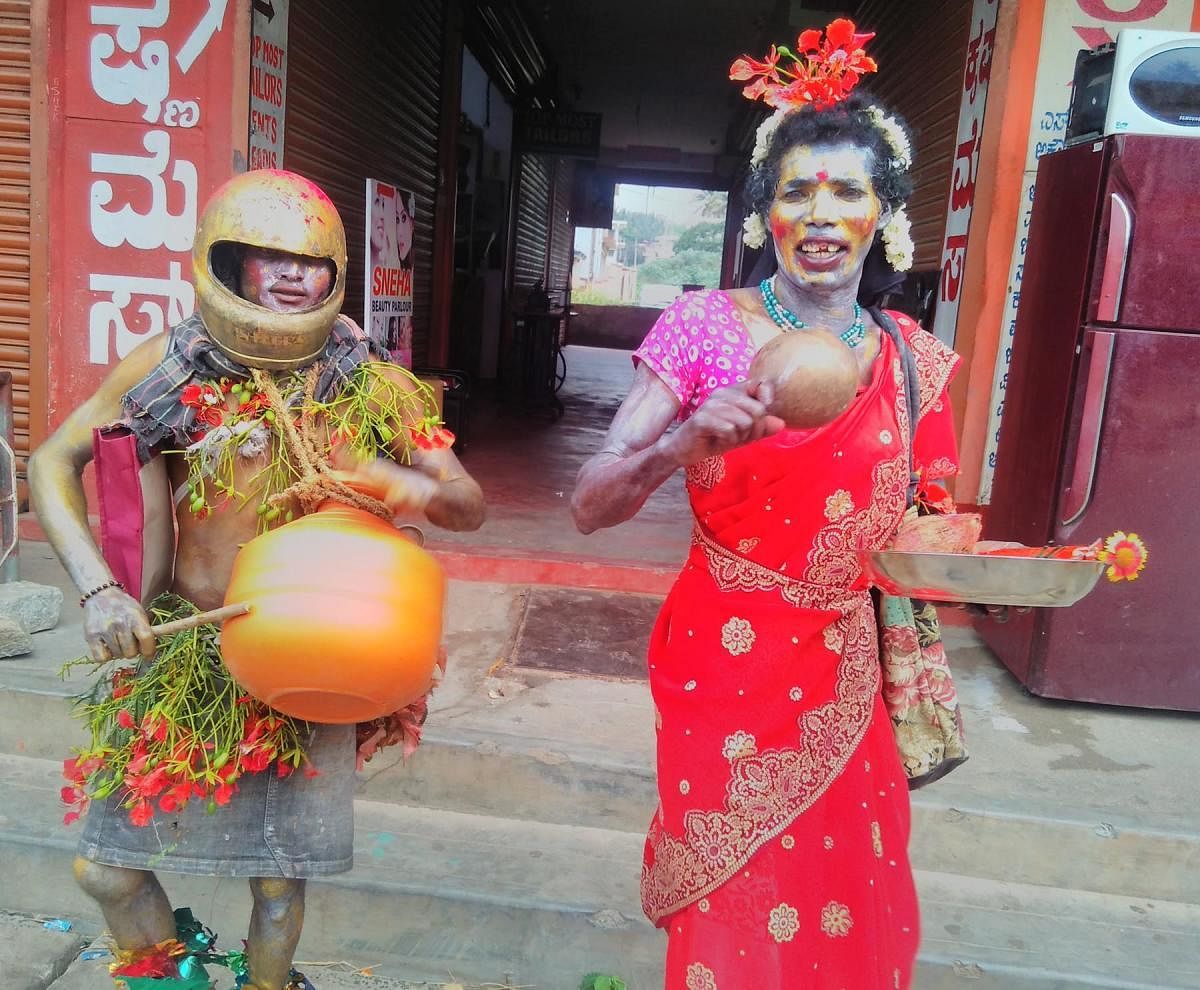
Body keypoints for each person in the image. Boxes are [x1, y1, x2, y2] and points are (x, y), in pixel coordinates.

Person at [571, 21, 969, 989]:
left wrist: (982, 570)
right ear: (763, 215)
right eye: (797, 191)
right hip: (726, 663)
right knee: (735, 892)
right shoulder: (708, 330)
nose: (822, 214)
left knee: (849, 886)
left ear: (885, 213)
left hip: (852, 669)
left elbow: (930, 520)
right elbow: (589, 505)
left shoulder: (912, 359)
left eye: (848, 191)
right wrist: (685, 440)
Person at [29, 169, 485, 990]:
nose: (288, 275)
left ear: (335, 273)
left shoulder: (364, 376)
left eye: (307, 261)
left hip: (307, 660)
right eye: (264, 256)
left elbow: (465, 501)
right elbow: (52, 460)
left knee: (278, 890)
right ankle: (173, 978)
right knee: (107, 872)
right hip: (185, 655)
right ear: (226, 264)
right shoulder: (172, 362)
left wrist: (402, 483)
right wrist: (100, 589)